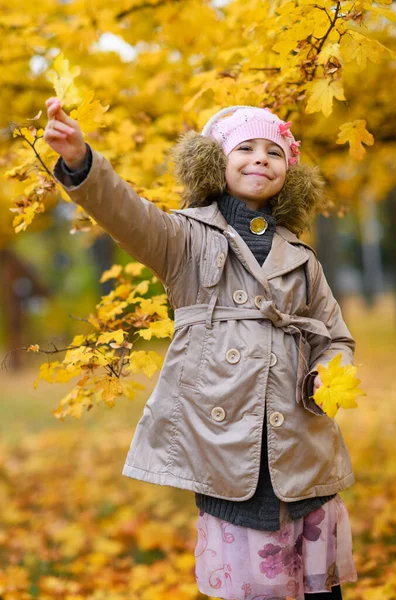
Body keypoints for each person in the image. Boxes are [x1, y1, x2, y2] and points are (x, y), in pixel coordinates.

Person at [44, 98, 358, 599]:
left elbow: (335, 336)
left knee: (323, 591)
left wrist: (330, 371)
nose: (260, 158)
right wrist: (82, 162)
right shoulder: (184, 238)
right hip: (228, 443)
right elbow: (126, 214)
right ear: (216, 162)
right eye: (246, 148)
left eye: (273, 152)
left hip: (304, 445)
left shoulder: (300, 256)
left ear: (288, 171)